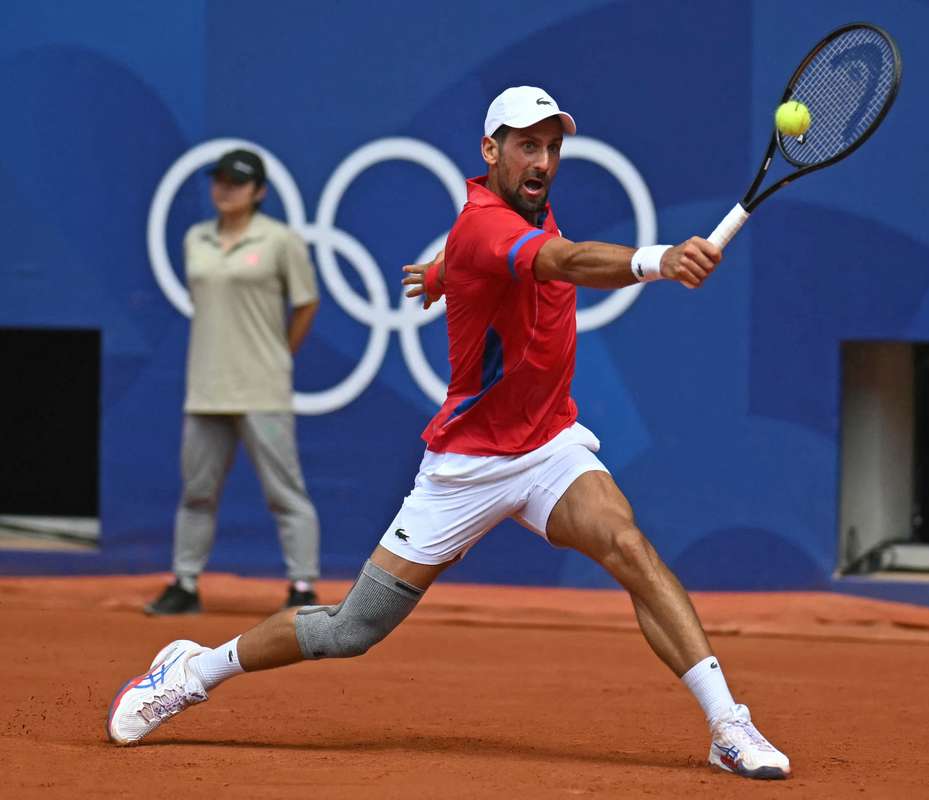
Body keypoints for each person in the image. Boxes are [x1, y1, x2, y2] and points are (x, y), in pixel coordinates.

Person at [109, 88, 790, 780]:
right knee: (352, 630)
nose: (544, 160)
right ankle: (193, 670)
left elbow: (500, 260)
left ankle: (727, 724)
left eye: (553, 147)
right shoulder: (486, 227)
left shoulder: (521, 208)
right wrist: (658, 260)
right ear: (490, 150)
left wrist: (440, 276)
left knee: (628, 545)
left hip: (548, 447)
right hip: (465, 465)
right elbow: (565, 260)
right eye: (527, 144)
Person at [144, 149, 322, 615]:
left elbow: (306, 302)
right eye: (219, 180)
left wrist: (280, 355)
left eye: (237, 182)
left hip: (262, 386)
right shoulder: (195, 239)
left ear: (259, 192)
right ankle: (184, 582)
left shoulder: (281, 240)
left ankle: (302, 585)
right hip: (205, 385)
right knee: (197, 492)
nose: (225, 188)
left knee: (285, 492)